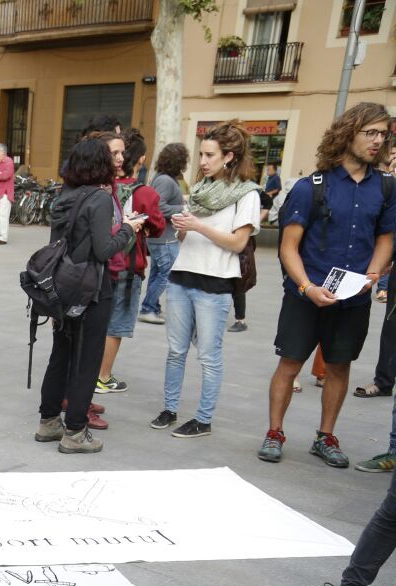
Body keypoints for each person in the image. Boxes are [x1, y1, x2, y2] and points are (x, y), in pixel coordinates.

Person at [261, 103, 395, 468]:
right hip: (306, 294)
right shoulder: (310, 187)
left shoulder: (385, 187)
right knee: (290, 365)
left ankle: (325, 437)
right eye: (371, 132)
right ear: (348, 133)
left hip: (354, 299)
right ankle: (275, 432)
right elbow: (288, 247)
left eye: (383, 133)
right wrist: (306, 287)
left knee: (339, 367)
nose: (378, 140)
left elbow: (386, 237)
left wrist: (372, 274)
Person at [151, 121, 260, 440]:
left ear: (229, 156)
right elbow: (187, 237)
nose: (202, 161)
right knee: (175, 350)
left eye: (210, 155)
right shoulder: (199, 190)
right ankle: (169, 408)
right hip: (182, 277)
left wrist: (198, 226)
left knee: (209, 356)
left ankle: (203, 418)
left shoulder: (247, 194)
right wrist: (183, 227)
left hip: (215, 284)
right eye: (201, 154)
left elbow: (238, 243)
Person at [34, 138, 139, 455]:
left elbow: (56, 244)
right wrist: (129, 230)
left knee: (61, 356)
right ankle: (76, 431)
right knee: (87, 360)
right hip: (92, 289)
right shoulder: (100, 199)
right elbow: (103, 249)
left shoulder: (62, 196)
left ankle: (49, 421)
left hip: (62, 286)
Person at [95, 132, 165, 396]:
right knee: (117, 324)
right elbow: (157, 227)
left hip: (103, 262)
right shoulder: (144, 192)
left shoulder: (103, 187)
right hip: (128, 262)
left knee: (99, 320)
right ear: (142, 159)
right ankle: (102, 376)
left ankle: (92, 371)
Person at [138, 143, 188, 325]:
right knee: (168, 273)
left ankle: (152, 308)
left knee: (158, 273)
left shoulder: (163, 178)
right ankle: (148, 308)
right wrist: (183, 208)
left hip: (161, 237)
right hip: (164, 238)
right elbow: (158, 206)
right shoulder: (166, 180)